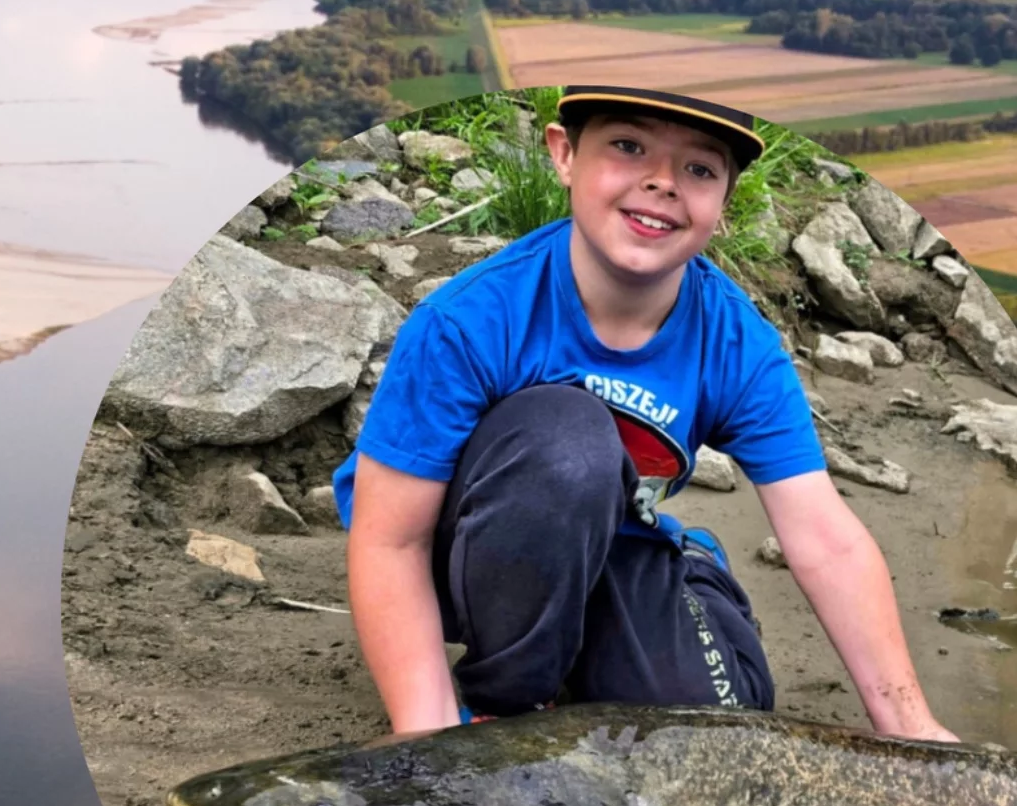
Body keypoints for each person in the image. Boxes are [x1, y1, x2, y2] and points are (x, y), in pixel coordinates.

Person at [336, 85, 955, 742]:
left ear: (724, 199)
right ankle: (511, 697)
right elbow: (390, 541)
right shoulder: (468, 321)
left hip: (618, 552)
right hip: (461, 558)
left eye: (699, 169)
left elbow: (826, 540)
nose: (662, 183)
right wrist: (426, 735)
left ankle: (679, 576)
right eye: (628, 147)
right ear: (564, 154)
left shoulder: (738, 345)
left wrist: (912, 727)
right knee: (567, 443)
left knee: (711, 735)